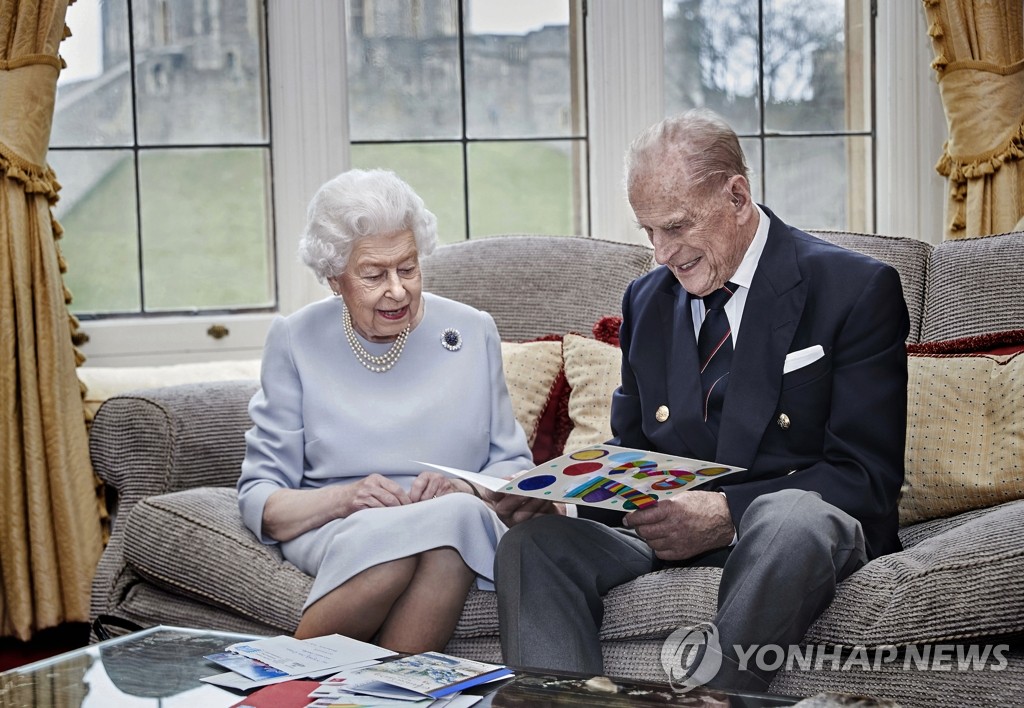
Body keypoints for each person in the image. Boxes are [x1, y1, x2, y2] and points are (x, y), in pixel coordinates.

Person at [492, 109, 909, 690]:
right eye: (649, 231)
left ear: (737, 196)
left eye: (677, 226)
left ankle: (714, 701)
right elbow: (634, 451)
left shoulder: (854, 289)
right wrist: (564, 500)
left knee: (789, 518)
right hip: (669, 537)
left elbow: (866, 477)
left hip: (789, 539)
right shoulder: (647, 300)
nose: (662, 252)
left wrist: (726, 514)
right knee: (533, 546)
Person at [237, 168, 533, 653]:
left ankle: (280, 689)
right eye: (374, 275)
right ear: (335, 279)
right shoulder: (295, 339)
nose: (397, 290)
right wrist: (345, 499)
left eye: (409, 268)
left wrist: (464, 485)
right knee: (408, 547)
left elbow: (514, 467)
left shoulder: (472, 329)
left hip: (453, 516)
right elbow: (262, 497)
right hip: (338, 522)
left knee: (450, 526)